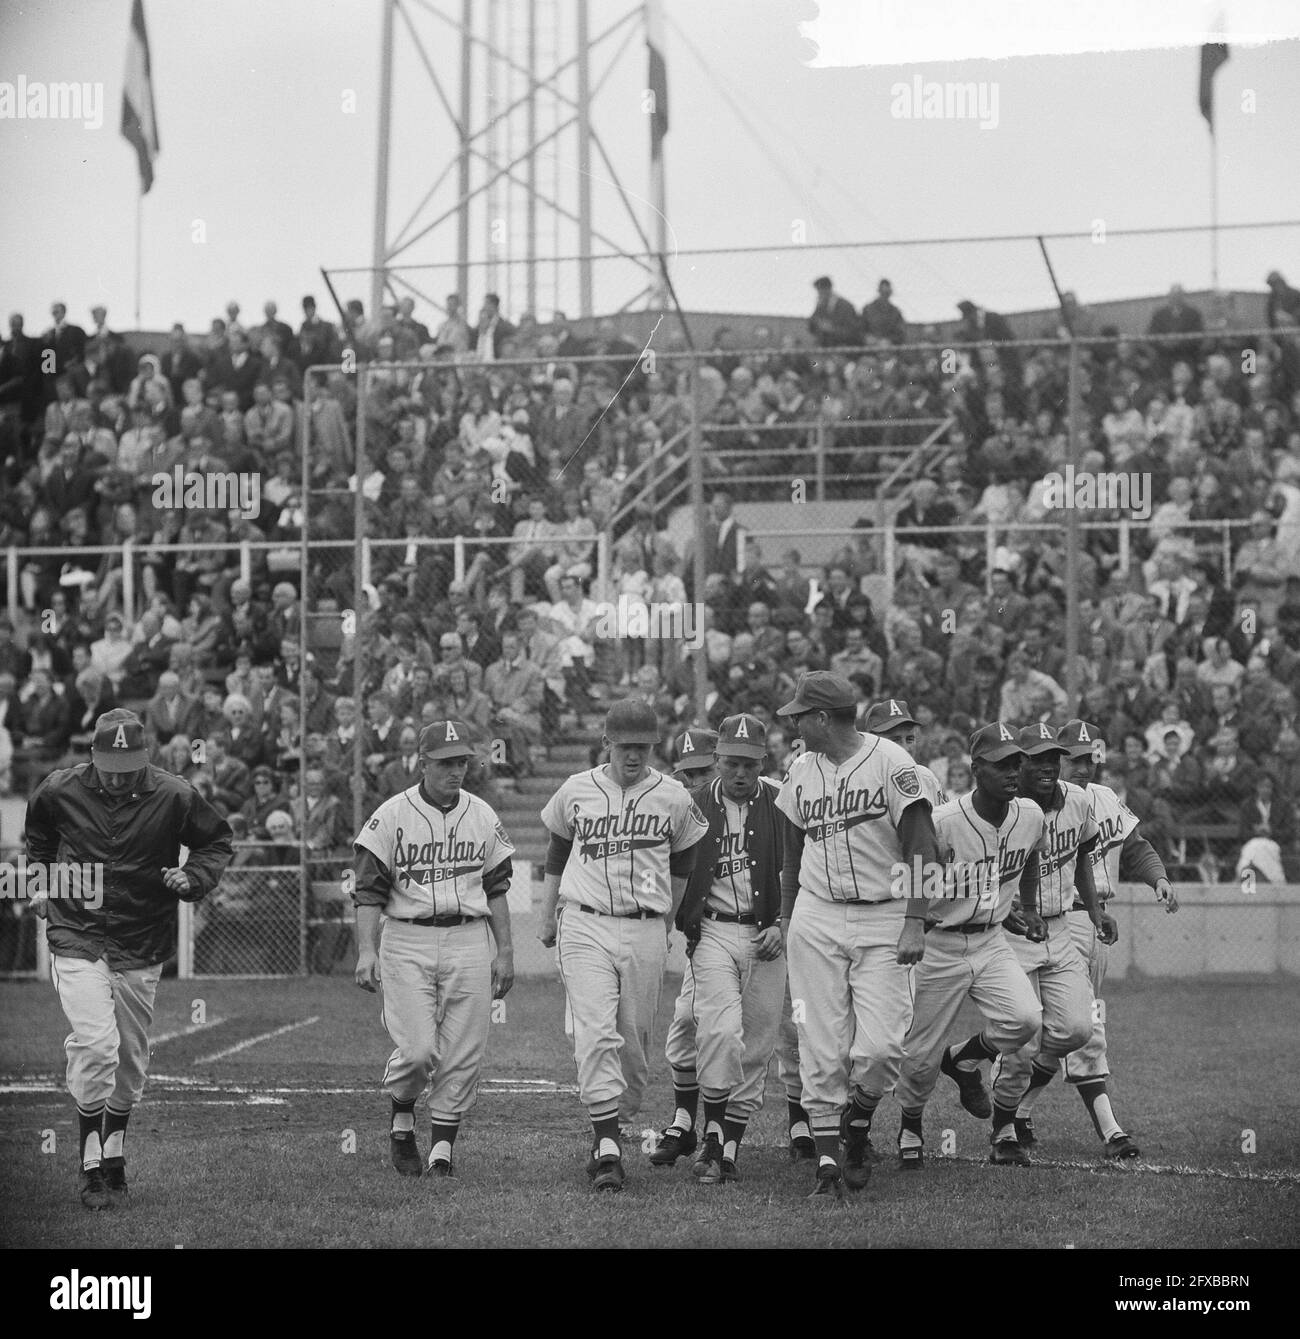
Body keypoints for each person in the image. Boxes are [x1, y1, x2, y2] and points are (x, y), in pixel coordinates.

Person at [24, 708, 234, 1209]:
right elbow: (38, 840)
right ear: (93, 755)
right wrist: (40, 883)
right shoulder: (59, 789)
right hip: (77, 930)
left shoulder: (175, 794)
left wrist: (194, 878)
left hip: (142, 935)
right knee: (97, 1044)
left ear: (146, 757)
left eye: (130, 767)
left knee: (130, 1061)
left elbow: (216, 841)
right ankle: (91, 1161)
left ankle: (115, 1150)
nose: (119, 777)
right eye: (110, 767)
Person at [775, 671, 943, 1198]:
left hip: (886, 912)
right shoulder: (802, 770)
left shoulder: (893, 764)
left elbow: (924, 846)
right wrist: (786, 918)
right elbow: (791, 854)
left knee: (883, 1047)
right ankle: (828, 1159)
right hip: (817, 913)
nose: (794, 722)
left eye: (801, 715)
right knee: (820, 1043)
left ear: (823, 718)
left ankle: (857, 1118)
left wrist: (916, 917)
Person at [537, 700, 708, 1192]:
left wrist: (668, 918)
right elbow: (558, 850)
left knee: (633, 1042)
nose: (634, 755)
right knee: (594, 1031)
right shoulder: (577, 789)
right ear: (607, 742)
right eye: (625, 745)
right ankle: (608, 1143)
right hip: (584, 921)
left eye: (643, 746)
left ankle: (616, 1114)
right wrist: (548, 913)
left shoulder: (672, 796)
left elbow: (685, 858)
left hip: (645, 925)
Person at [352, 719, 516, 1178]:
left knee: (464, 1049)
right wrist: (366, 950)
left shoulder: (482, 813)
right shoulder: (391, 815)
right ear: (423, 763)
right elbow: (367, 891)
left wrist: (505, 951)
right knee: (419, 1049)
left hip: (468, 936)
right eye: (445, 762)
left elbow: (497, 887)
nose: (456, 770)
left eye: (461, 761)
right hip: (406, 936)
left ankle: (442, 1150)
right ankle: (402, 1110)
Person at [1010, 720, 1180, 1159]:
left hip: (1093, 919)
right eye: (1074, 757)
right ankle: (1110, 1130)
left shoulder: (1100, 799)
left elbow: (1135, 845)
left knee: (1070, 1029)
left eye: (1090, 758)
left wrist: (1157, 878)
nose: (1084, 766)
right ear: (1053, 759)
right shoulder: (1023, 807)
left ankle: (1018, 1110)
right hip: (1052, 920)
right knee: (1067, 1028)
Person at [892, 723, 1046, 1168]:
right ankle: (911, 1125)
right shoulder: (942, 823)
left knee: (1024, 1020)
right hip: (938, 943)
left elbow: (1032, 852)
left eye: (1017, 762)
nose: (1013, 771)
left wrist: (1028, 905)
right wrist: (913, 924)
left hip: (992, 940)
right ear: (977, 768)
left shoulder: (1030, 814)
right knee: (918, 1056)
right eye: (1001, 764)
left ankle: (961, 1059)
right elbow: (909, 875)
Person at [986, 723, 1117, 1166]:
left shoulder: (1079, 800)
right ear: (1016, 763)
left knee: (1077, 1029)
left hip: (1059, 926)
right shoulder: (1004, 808)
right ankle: (1004, 1129)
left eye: (1053, 758)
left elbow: (1082, 856)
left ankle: (998, 1086)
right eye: (1035, 758)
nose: (1047, 766)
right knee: (1021, 1043)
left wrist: (1096, 911)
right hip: (1013, 930)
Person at [667, 714, 787, 1185]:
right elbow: (669, 867)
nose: (741, 773)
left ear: (763, 762)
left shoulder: (782, 800)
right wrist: (674, 923)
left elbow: (803, 868)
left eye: (751, 765)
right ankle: (712, 1134)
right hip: (714, 932)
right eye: (732, 763)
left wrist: (781, 922)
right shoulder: (690, 803)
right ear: (716, 759)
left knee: (756, 1047)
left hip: (768, 935)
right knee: (717, 1031)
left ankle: (729, 1145)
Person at [860, 699, 947, 806]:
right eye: (895, 740)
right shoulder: (858, 782)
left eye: (910, 739)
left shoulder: (926, 777)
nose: (905, 748)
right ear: (872, 740)